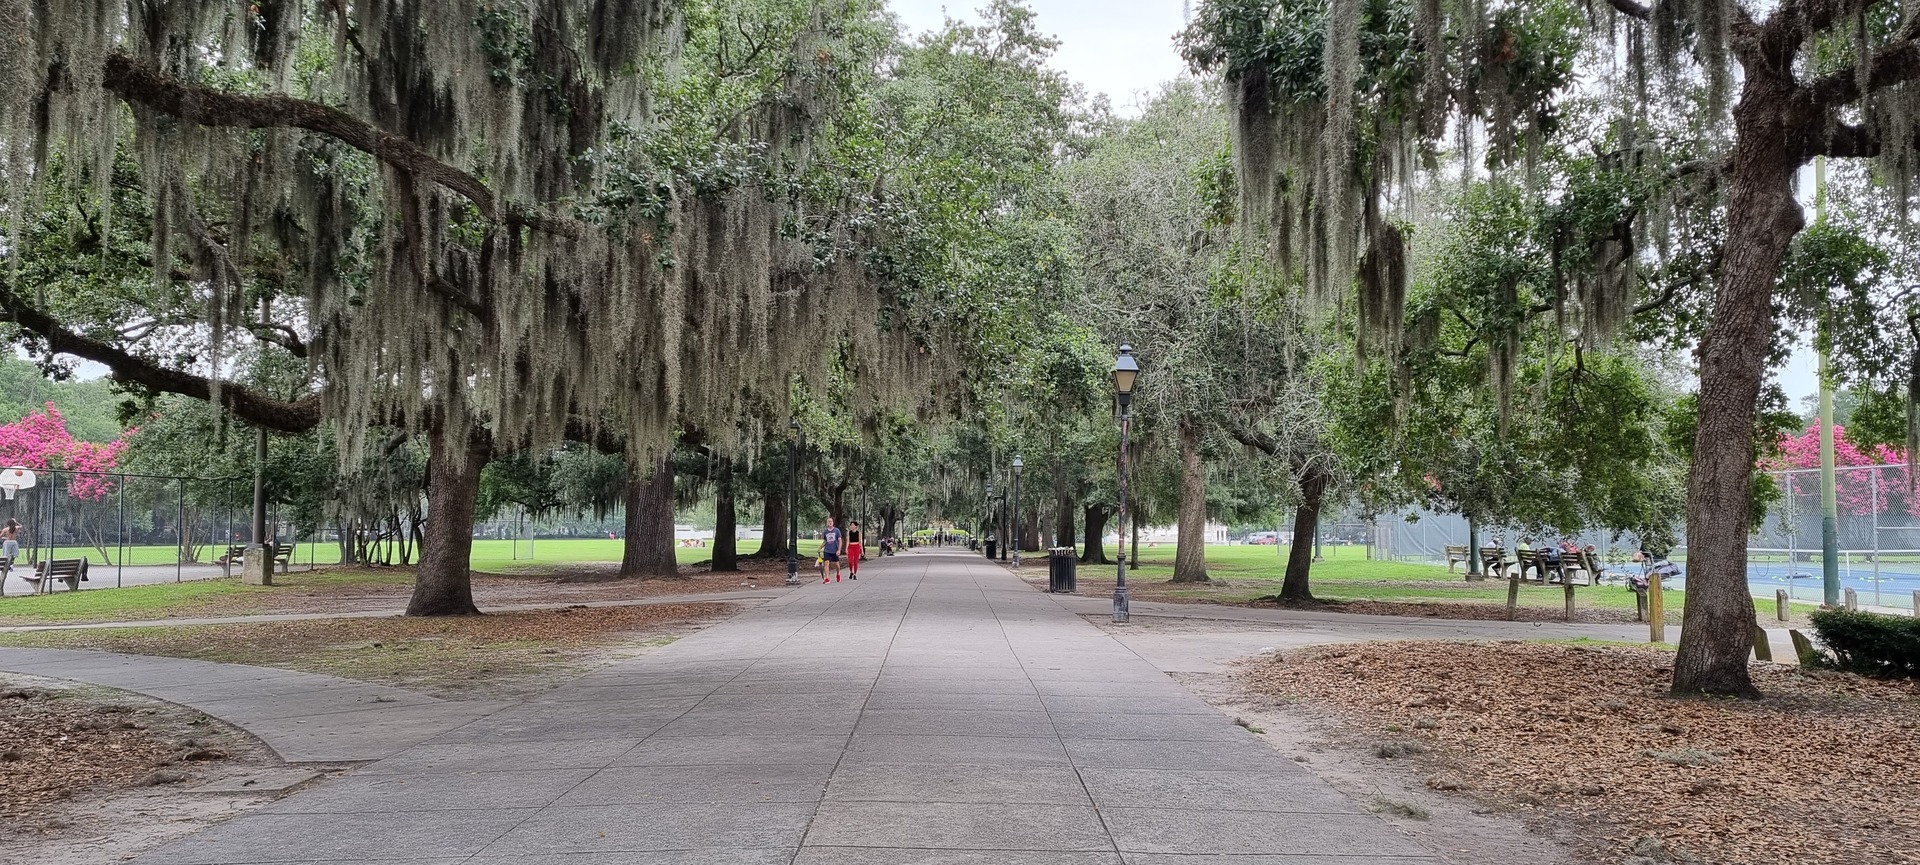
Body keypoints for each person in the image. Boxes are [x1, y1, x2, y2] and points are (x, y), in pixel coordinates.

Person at [821, 517, 844, 583]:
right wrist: (820, 547)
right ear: (827, 523)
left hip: (835, 550)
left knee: (837, 565)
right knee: (826, 563)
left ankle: (838, 573)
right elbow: (825, 541)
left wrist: (839, 550)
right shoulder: (825, 531)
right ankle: (827, 578)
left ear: (833, 523)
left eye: (831, 521)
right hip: (827, 550)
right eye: (828, 521)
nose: (830, 522)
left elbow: (840, 541)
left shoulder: (837, 530)